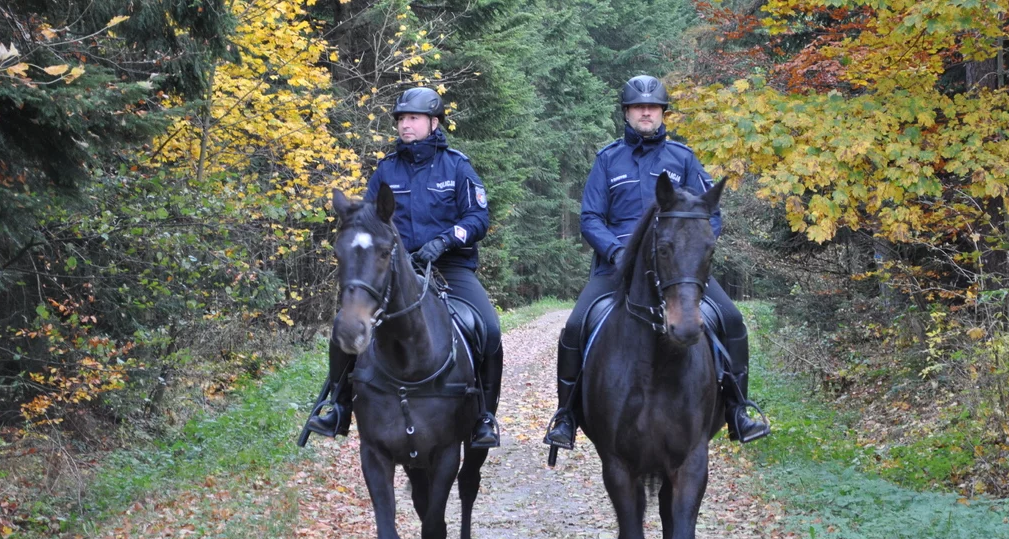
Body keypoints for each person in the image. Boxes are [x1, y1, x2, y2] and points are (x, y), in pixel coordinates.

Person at [543, 75, 766, 450]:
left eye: (653, 107)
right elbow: (590, 218)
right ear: (627, 113)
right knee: (575, 326)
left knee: (731, 319)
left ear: (663, 113)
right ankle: (566, 415)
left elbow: (709, 212)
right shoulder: (607, 159)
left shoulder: (684, 159)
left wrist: (692, 250)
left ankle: (737, 410)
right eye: (638, 107)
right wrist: (616, 252)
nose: (646, 112)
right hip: (617, 267)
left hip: (678, 267)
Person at [301, 86, 502, 448]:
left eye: (413, 118)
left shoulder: (457, 166)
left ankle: (484, 416)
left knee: (487, 327)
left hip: (449, 267)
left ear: (433, 122)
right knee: (345, 326)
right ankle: (338, 407)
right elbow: (366, 219)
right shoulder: (386, 170)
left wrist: (444, 241)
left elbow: (478, 217)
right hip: (396, 269)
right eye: (401, 119)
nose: (405, 125)